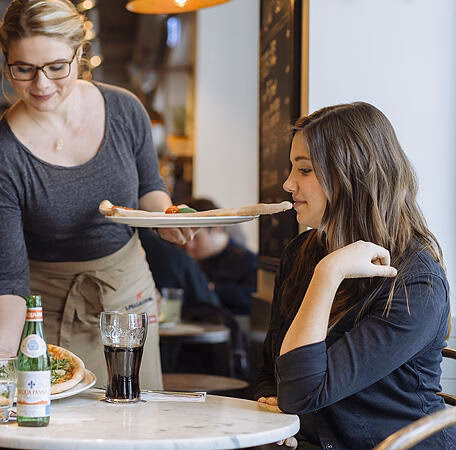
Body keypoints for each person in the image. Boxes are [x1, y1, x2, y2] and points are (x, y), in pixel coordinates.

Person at [0, 0, 191, 389]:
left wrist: (166, 218)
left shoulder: (125, 110)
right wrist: (1, 352)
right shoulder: (2, 154)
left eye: (57, 67)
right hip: (48, 310)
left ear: (80, 53)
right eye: (23, 69)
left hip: (128, 294)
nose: (41, 85)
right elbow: (8, 273)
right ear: (7, 61)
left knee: (138, 424)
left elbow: (149, 188)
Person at [253, 102, 455, 448]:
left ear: (352, 175)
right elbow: (270, 373)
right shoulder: (300, 253)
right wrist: (276, 413)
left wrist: (328, 274)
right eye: (292, 168)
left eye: (304, 171)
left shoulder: (416, 283)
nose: (288, 184)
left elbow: (301, 392)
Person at [183, 198, 257, 315]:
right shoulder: (196, 260)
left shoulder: (250, 262)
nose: (188, 245)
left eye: (195, 238)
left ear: (217, 228)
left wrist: (214, 288)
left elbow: (251, 300)